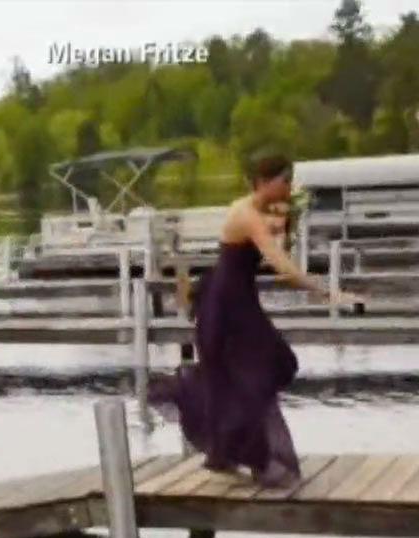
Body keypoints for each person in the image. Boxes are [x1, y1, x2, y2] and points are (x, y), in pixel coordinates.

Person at [150, 154, 362, 486]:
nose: (289, 187)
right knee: (259, 369)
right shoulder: (246, 214)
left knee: (264, 368)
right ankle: (256, 456)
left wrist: (287, 222)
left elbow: (275, 242)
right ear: (265, 182)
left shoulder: (260, 212)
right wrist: (328, 293)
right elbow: (283, 266)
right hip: (225, 304)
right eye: (284, 181)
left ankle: (228, 451)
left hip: (238, 299)